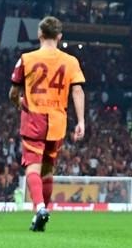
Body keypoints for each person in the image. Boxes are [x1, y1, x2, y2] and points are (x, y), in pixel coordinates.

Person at [8, 16, 86, 233]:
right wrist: (81, 121)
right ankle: (41, 213)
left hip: (34, 118)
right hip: (58, 122)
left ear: (39, 34)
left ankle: (40, 208)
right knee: (48, 169)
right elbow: (77, 90)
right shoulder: (71, 61)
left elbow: (13, 92)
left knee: (32, 167)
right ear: (59, 36)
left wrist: (19, 102)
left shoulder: (26, 59)